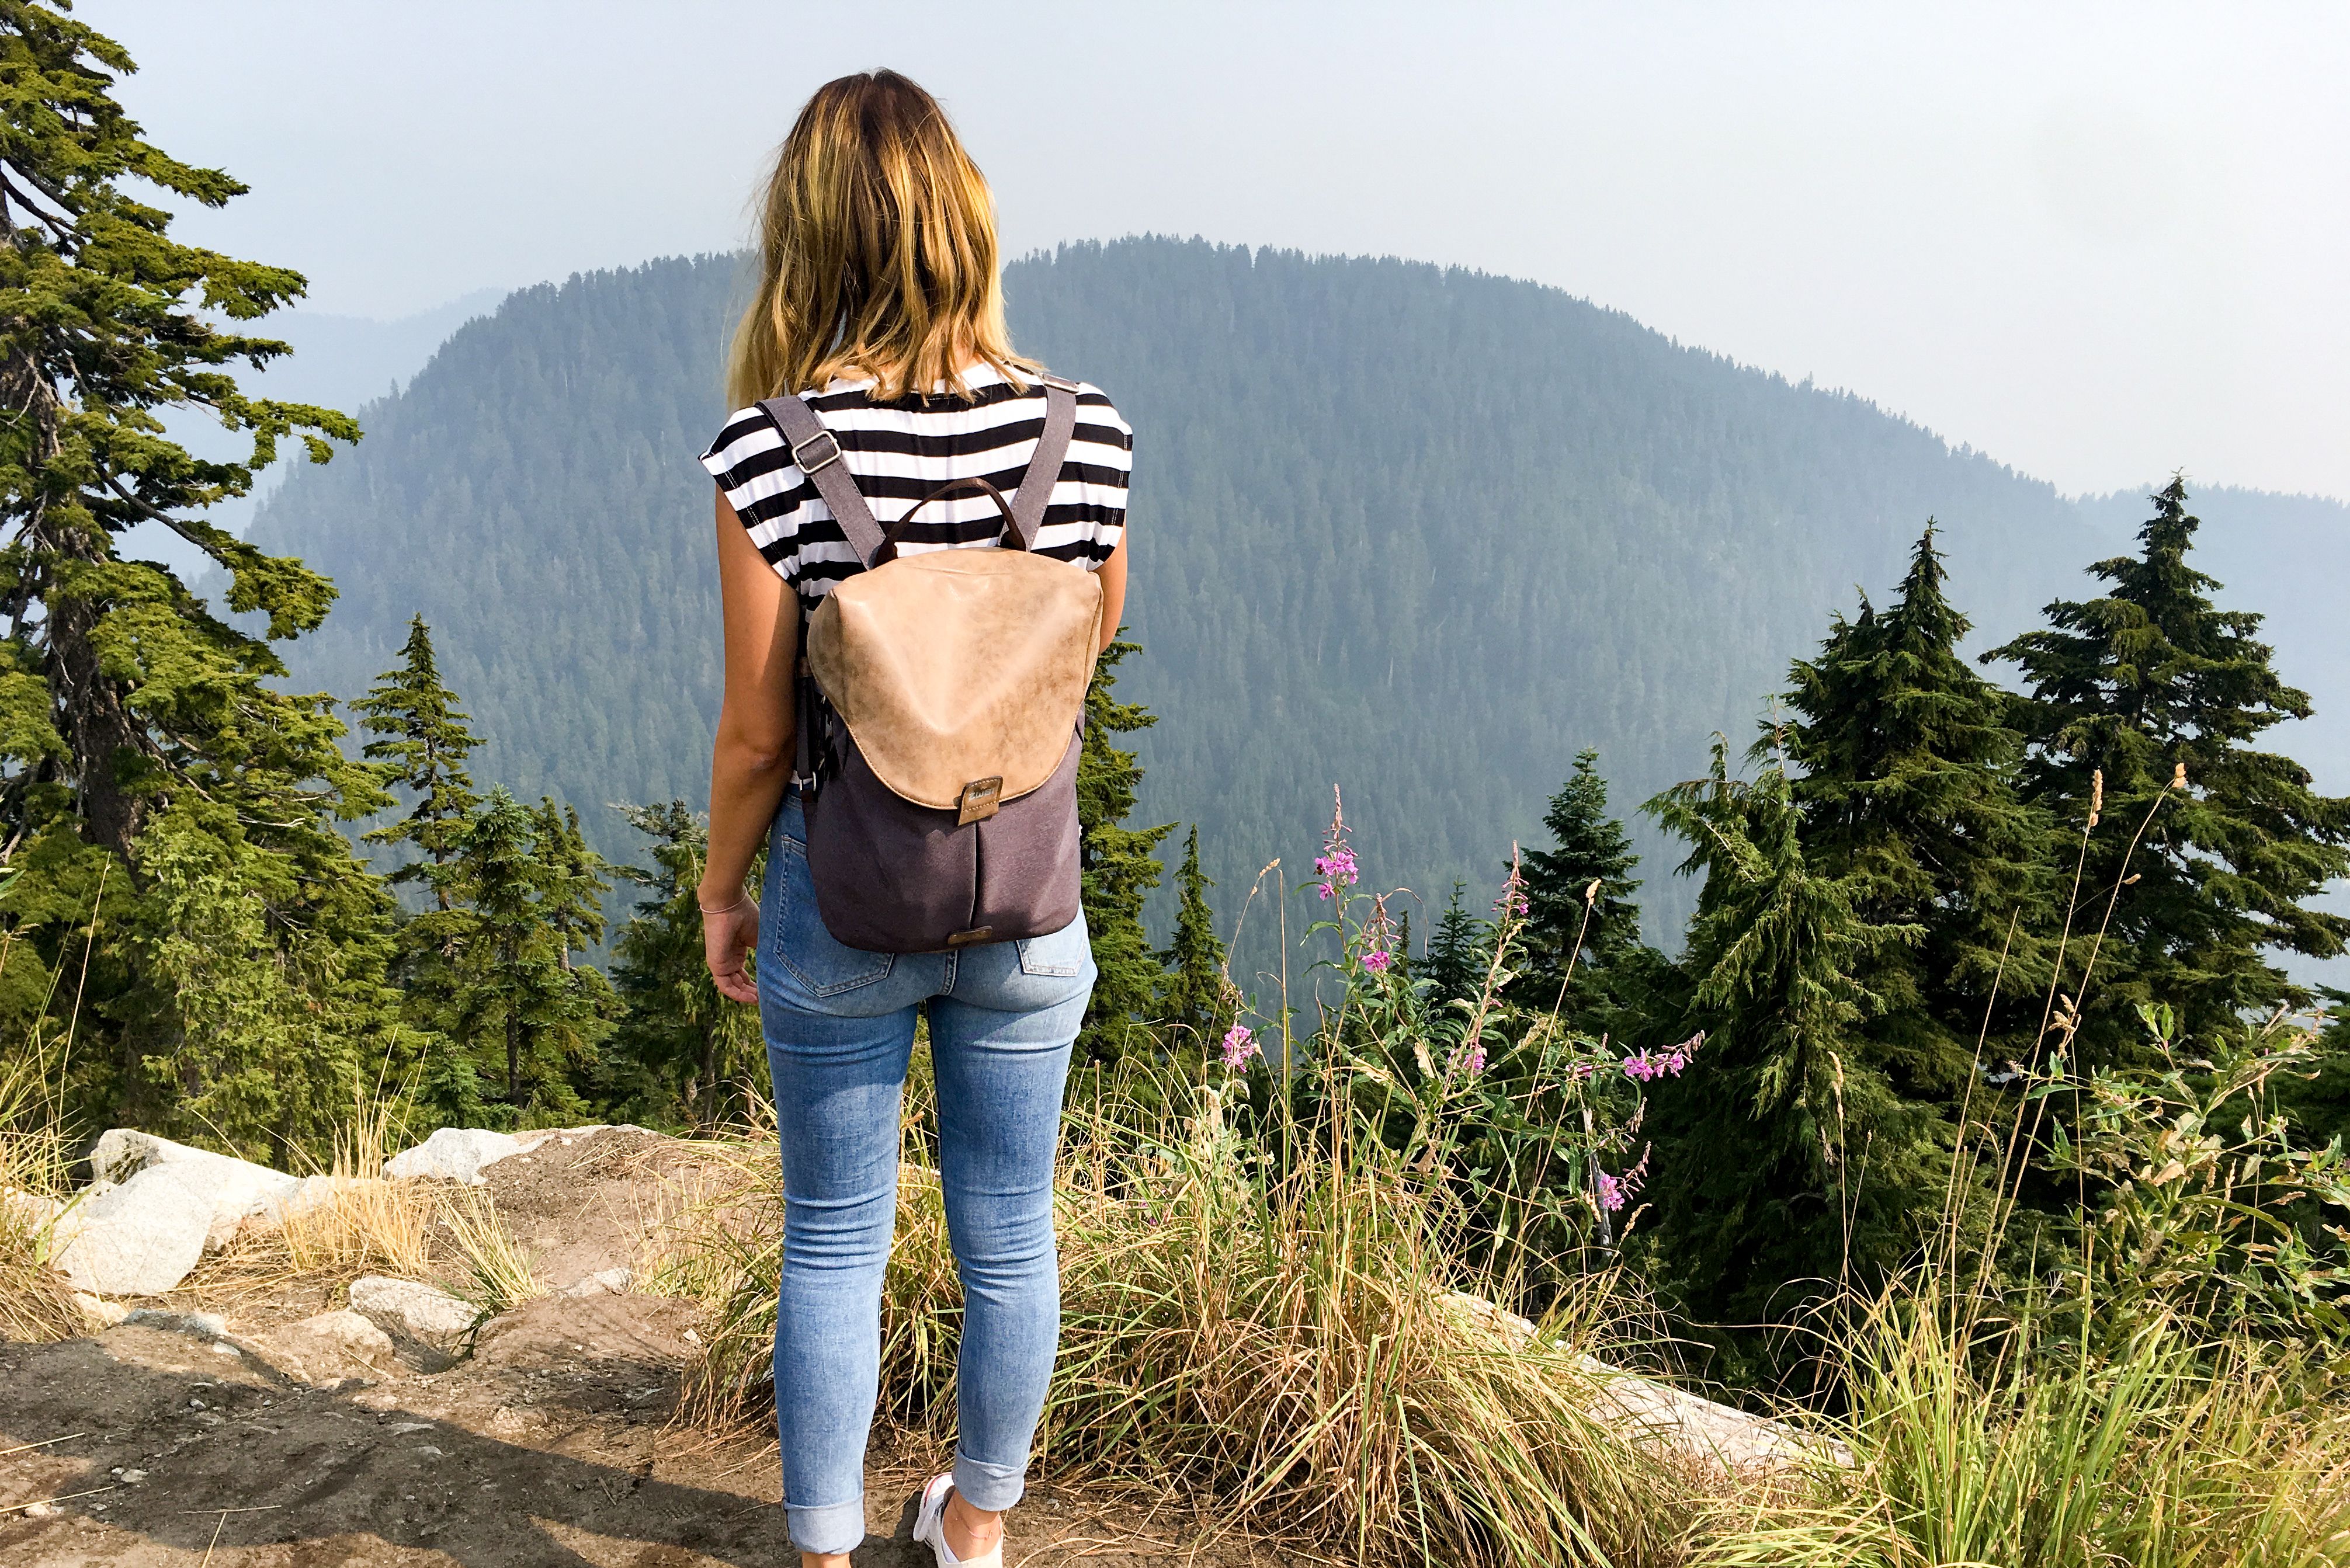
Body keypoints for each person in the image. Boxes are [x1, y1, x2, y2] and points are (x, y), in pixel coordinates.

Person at [693, 70, 1132, 1568]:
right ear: (964, 222)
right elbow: (1084, 647)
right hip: (1026, 893)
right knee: (1009, 1226)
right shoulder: (1086, 431)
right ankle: (977, 1528)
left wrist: (720, 891)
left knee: (834, 1236)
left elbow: (759, 726)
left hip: (848, 894)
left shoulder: (771, 449)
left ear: (805, 237)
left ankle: (822, 1551)